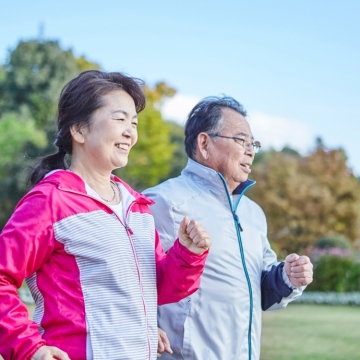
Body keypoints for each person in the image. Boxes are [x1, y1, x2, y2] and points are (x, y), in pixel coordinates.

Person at [0, 70, 212, 360]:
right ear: (79, 130)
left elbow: (156, 289)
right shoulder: (50, 201)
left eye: (134, 122)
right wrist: (29, 348)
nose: (130, 132)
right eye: (119, 118)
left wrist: (187, 255)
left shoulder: (137, 208)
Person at [144, 96, 313, 360]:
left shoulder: (253, 213)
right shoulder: (162, 202)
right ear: (204, 143)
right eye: (241, 140)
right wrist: (144, 328)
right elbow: (129, 282)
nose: (251, 150)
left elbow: (260, 290)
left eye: (253, 143)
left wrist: (287, 277)